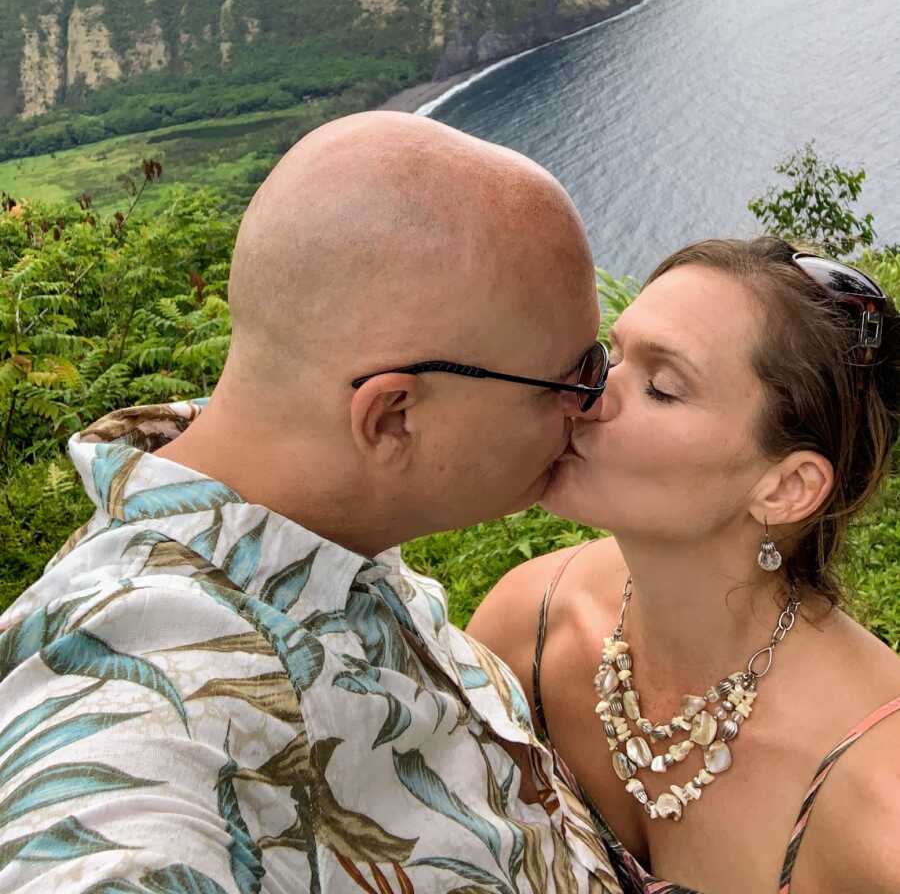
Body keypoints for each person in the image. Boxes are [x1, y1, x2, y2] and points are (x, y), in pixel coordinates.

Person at [0, 111, 622, 893]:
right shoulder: (145, 707)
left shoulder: (329, 529)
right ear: (393, 416)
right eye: (571, 378)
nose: (595, 404)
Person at [470, 237, 900, 894]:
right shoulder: (530, 623)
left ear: (785, 488)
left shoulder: (877, 798)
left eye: (661, 387)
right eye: (609, 358)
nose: (585, 394)